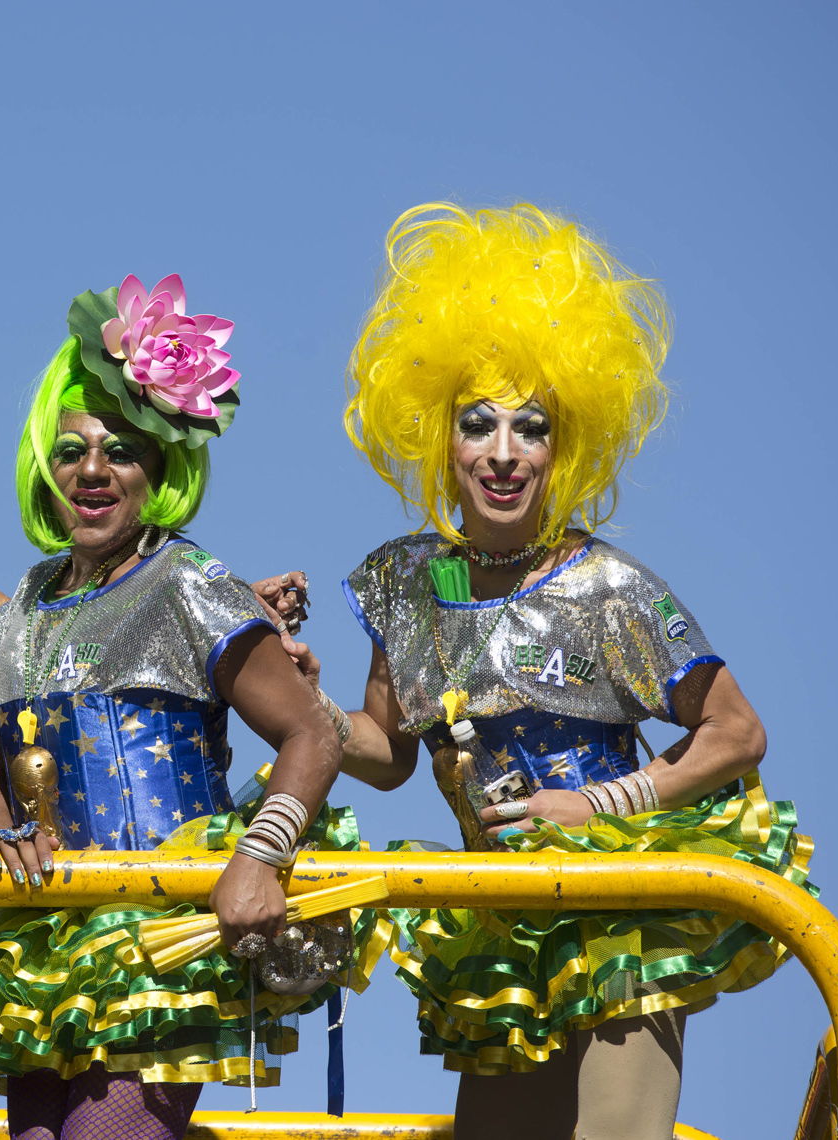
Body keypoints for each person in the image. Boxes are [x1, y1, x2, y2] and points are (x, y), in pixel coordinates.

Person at [326, 203, 813, 1139]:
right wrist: (295, 691)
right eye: (478, 425)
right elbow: (384, 748)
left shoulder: (609, 585)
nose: (503, 453)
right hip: (501, 918)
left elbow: (737, 733)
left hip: (614, 913)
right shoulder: (402, 581)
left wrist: (596, 806)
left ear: (564, 445)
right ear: (441, 437)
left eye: (530, 427)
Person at [0, 275, 380, 1140]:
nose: (93, 471)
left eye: (122, 451)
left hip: (163, 934)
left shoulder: (189, 582)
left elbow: (311, 736)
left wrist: (259, 857)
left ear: (162, 470)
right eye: (71, 451)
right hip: (46, 944)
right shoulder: (25, 603)